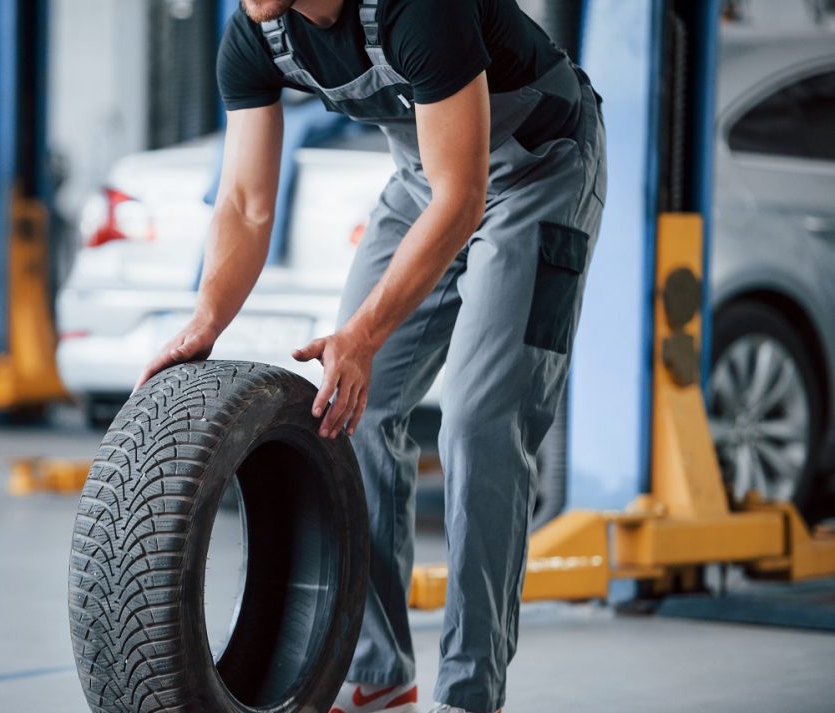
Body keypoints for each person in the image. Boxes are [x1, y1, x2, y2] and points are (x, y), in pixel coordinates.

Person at [135, 1, 606, 711]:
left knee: (478, 423)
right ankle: (380, 672)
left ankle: (468, 691)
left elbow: (464, 195)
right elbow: (244, 202)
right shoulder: (255, 34)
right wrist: (207, 319)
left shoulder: (419, 10)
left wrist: (363, 332)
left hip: (538, 174)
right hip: (428, 180)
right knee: (351, 405)